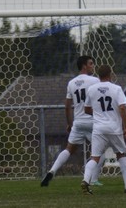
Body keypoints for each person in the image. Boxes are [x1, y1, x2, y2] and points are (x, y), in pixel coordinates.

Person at [41, 55, 104, 187]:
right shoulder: (95, 80)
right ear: (84, 66)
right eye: (91, 63)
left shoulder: (71, 83)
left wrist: (70, 124)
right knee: (100, 151)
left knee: (69, 149)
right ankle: (93, 179)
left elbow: (67, 106)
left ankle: (52, 171)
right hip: (92, 122)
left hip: (78, 122)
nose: (93, 66)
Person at [81, 65, 126, 195]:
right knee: (121, 154)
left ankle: (86, 180)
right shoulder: (116, 88)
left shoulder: (91, 89)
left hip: (98, 128)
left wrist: (99, 114)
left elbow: (86, 109)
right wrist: (125, 127)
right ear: (110, 74)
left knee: (94, 157)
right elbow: (122, 108)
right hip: (114, 128)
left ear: (98, 75)